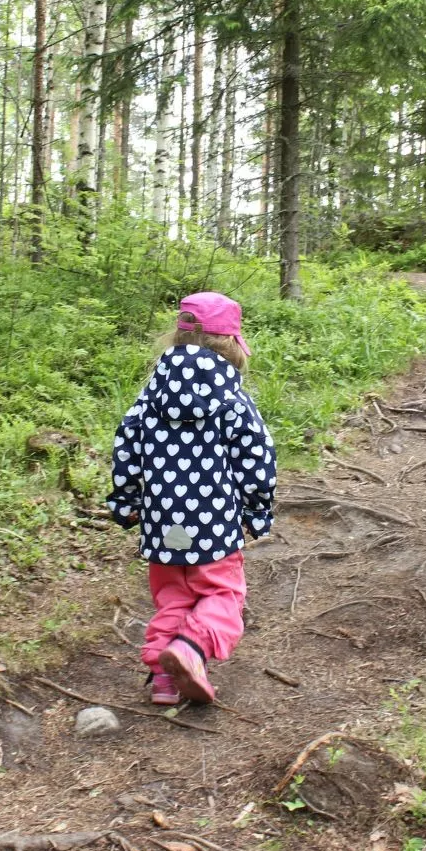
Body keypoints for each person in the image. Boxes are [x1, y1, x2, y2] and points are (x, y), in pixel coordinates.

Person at [107, 291, 276, 705]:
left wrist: (125, 500)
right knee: (224, 595)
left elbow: (125, 446)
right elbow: (258, 455)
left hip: (163, 525)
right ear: (232, 343)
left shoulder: (150, 395)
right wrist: (257, 511)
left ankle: (165, 681)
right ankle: (190, 648)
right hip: (214, 524)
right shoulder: (232, 400)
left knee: (174, 598)